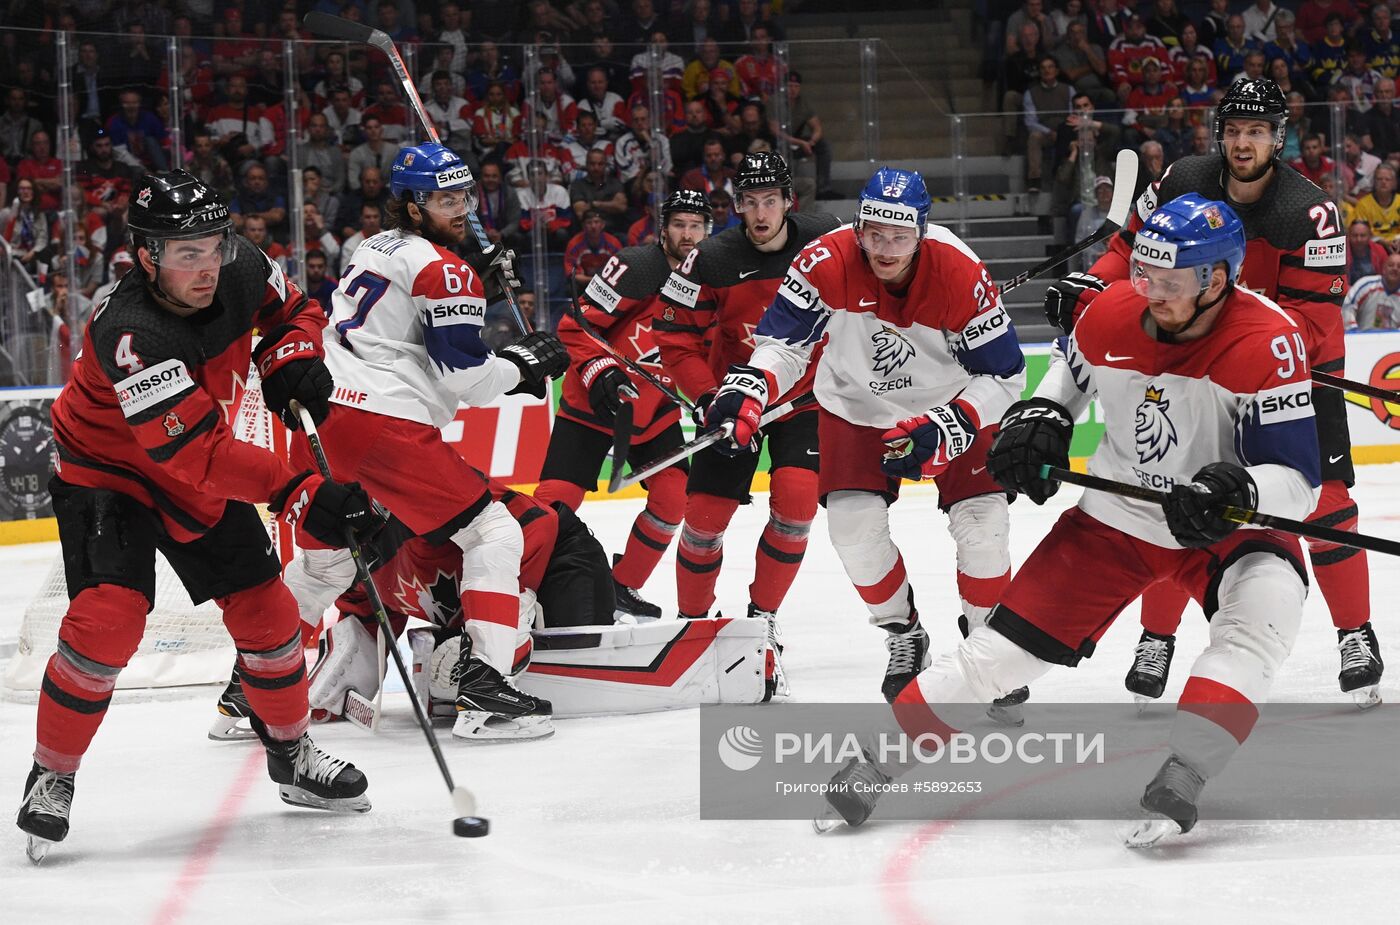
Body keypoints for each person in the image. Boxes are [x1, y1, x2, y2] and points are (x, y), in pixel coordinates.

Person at [821, 193, 1322, 847]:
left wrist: (1241, 488)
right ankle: (875, 761)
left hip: (1227, 522)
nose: (1151, 295)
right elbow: (1069, 372)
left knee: (1262, 619)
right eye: (1144, 276)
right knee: (996, 653)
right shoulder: (1114, 312)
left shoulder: (1270, 342)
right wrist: (1044, 415)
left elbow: (1301, 485)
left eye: (1169, 283)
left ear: (1217, 280)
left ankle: (1188, 767)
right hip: (1117, 519)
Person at [16, 170, 376, 862]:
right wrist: (300, 485)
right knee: (107, 619)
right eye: (187, 253)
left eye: (213, 244)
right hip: (108, 472)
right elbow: (197, 457)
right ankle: (52, 771)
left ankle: (291, 750)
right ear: (145, 255)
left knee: (269, 615)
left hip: (190, 460)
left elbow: (294, 309)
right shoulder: (131, 332)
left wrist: (293, 353)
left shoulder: (239, 263)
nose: (207, 265)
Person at [1044, 78, 1379, 707]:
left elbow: (1309, 330)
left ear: (1277, 138)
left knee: (1327, 505)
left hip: (1287, 370)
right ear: (1219, 135)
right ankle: (1157, 637)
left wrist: (1221, 332)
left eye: (1256, 131)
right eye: (1233, 130)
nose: (1243, 142)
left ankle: (1354, 632)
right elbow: (1129, 254)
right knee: (1171, 495)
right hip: (1192, 362)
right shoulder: (1179, 180)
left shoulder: (1309, 213)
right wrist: (1092, 284)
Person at [708, 166, 1029, 709]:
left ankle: (987, 642)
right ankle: (905, 635)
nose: (885, 248)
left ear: (922, 232)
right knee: (854, 533)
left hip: (952, 404)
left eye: (900, 236)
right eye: (874, 232)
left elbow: (1004, 376)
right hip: (856, 409)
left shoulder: (959, 272)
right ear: (858, 227)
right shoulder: (823, 262)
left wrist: (952, 421)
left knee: (983, 528)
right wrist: (749, 387)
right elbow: (785, 345)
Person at [289, 142, 570, 742]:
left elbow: (405, 322)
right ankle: (487, 690)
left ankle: (251, 692)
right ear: (413, 206)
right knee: (493, 530)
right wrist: (522, 365)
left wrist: (478, 293)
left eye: (463, 195)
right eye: (444, 200)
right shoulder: (444, 268)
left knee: (324, 568)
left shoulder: (376, 245)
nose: (460, 208)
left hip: (324, 418)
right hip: (383, 424)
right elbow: (465, 380)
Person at [653, 152, 842, 691]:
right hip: (733, 401)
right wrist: (713, 396)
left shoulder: (826, 240)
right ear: (737, 207)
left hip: (803, 399)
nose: (761, 213)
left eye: (770, 201)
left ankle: (762, 622)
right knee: (704, 521)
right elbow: (674, 338)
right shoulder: (708, 258)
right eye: (750, 202)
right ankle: (693, 625)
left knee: (797, 504)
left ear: (789, 202)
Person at [535, 190, 712, 624]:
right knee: (554, 505)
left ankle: (621, 587)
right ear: (663, 228)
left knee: (673, 499)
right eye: (679, 225)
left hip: (654, 411)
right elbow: (574, 325)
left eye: (696, 226)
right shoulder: (637, 267)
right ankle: (527, 589)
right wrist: (602, 372)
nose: (687, 235)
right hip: (593, 402)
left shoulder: (715, 277)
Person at [1344, 249, 1400, 328]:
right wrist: (1353, 329)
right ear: (1383, 269)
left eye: (1399, 266)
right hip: (1359, 337)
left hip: (1393, 339)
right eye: (1391, 265)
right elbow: (1347, 305)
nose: (1395, 269)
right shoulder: (1365, 284)